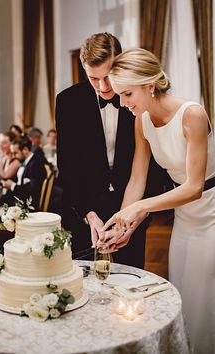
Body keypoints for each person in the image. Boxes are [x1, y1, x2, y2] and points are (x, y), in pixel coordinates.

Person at [100, 48, 215, 353]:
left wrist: (140, 208)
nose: (123, 103)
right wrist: (124, 221)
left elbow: (194, 187)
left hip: (212, 211)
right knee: (180, 291)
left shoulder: (192, 114)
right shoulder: (142, 121)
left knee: (205, 299)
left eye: (127, 94)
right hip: (185, 216)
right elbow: (137, 179)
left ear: (149, 85)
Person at [55, 33, 168, 268]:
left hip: (132, 205)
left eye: (108, 76)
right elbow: (68, 168)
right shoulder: (68, 102)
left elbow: (153, 166)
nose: (103, 87)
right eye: (93, 78)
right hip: (86, 210)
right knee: (86, 287)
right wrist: (89, 214)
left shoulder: (140, 99)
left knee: (131, 280)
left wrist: (134, 216)